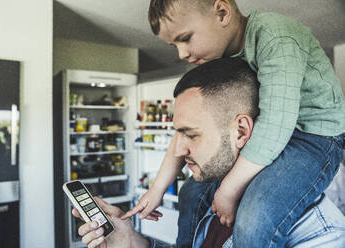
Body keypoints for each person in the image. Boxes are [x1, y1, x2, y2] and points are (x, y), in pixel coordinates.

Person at [122, 1, 345, 247]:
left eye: (185, 38)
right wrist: (156, 190)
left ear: (222, 12)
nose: (181, 54)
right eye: (174, 44)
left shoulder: (276, 36)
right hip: (266, 130)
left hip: (313, 137)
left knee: (255, 213)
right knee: (191, 193)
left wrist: (228, 190)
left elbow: (274, 125)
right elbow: (186, 128)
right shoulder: (220, 58)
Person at [73, 58, 345, 248]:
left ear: (240, 131)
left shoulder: (318, 235)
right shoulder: (208, 196)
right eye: (176, 134)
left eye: (191, 134)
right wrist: (133, 243)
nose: (179, 150)